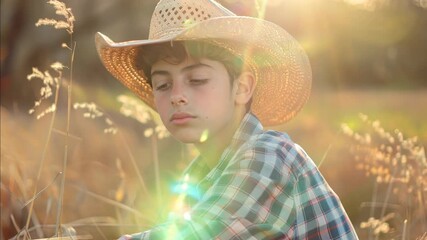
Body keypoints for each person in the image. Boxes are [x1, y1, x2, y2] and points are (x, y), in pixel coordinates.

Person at [95, 0, 359, 239]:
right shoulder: (196, 177)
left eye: (197, 79)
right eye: (162, 84)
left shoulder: (271, 155)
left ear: (242, 88)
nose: (177, 96)